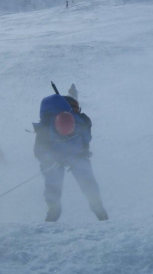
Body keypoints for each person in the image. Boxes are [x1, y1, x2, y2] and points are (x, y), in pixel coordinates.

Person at [33, 91, 108, 222]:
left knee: (53, 191)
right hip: (76, 157)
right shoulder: (81, 121)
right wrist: (82, 152)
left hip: (55, 162)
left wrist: (50, 159)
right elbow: (86, 139)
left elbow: (39, 151)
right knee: (89, 186)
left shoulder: (46, 125)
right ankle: (102, 215)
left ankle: (52, 216)